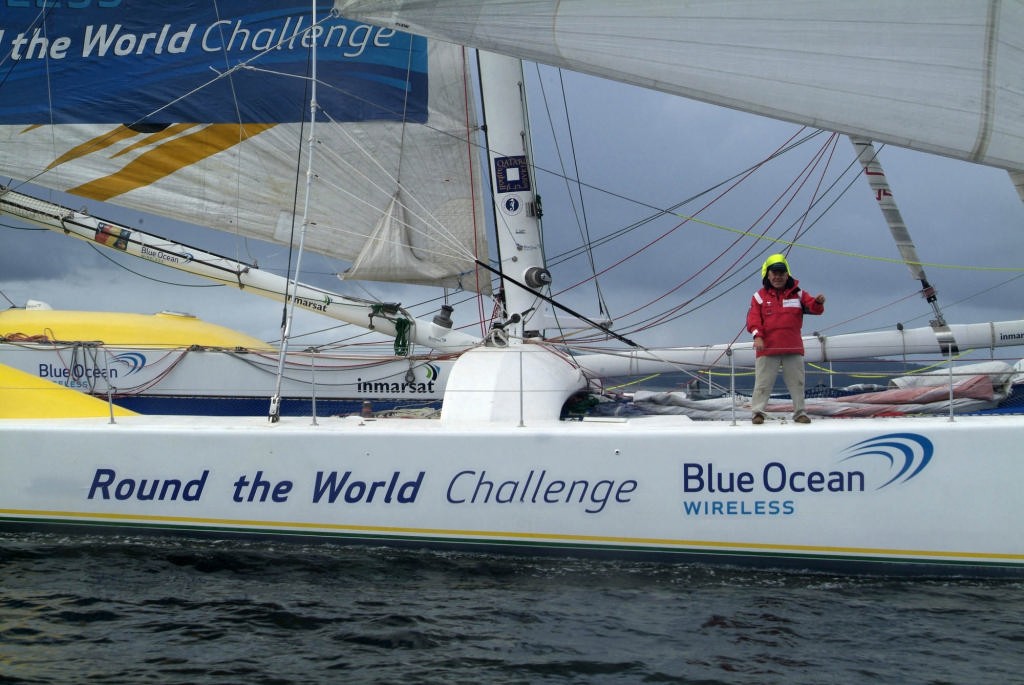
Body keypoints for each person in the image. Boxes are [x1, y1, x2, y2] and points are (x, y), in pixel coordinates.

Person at [745, 254, 825, 424]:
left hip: (792, 348)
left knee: (797, 383)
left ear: (787, 275)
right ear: (767, 275)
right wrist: (757, 336)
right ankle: (757, 412)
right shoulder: (758, 297)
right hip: (767, 348)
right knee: (762, 384)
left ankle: (800, 413)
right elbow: (753, 320)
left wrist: (818, 303)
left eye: (781, 273)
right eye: (774, 273)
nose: (778, 277)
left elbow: (815, 309)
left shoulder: (799, 294)